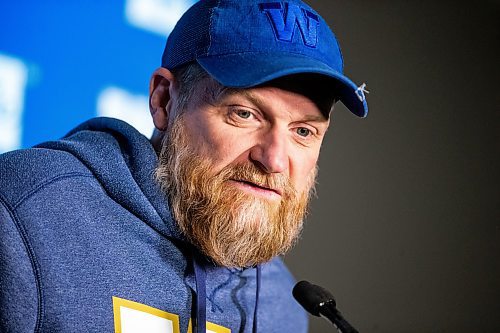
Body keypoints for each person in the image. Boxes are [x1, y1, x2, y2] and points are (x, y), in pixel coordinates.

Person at [0, 0, 368, 332]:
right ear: (163, 99)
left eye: (303, 131)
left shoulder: (282, 307)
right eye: (244, 114)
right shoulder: (22, 217)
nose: (273, 160)